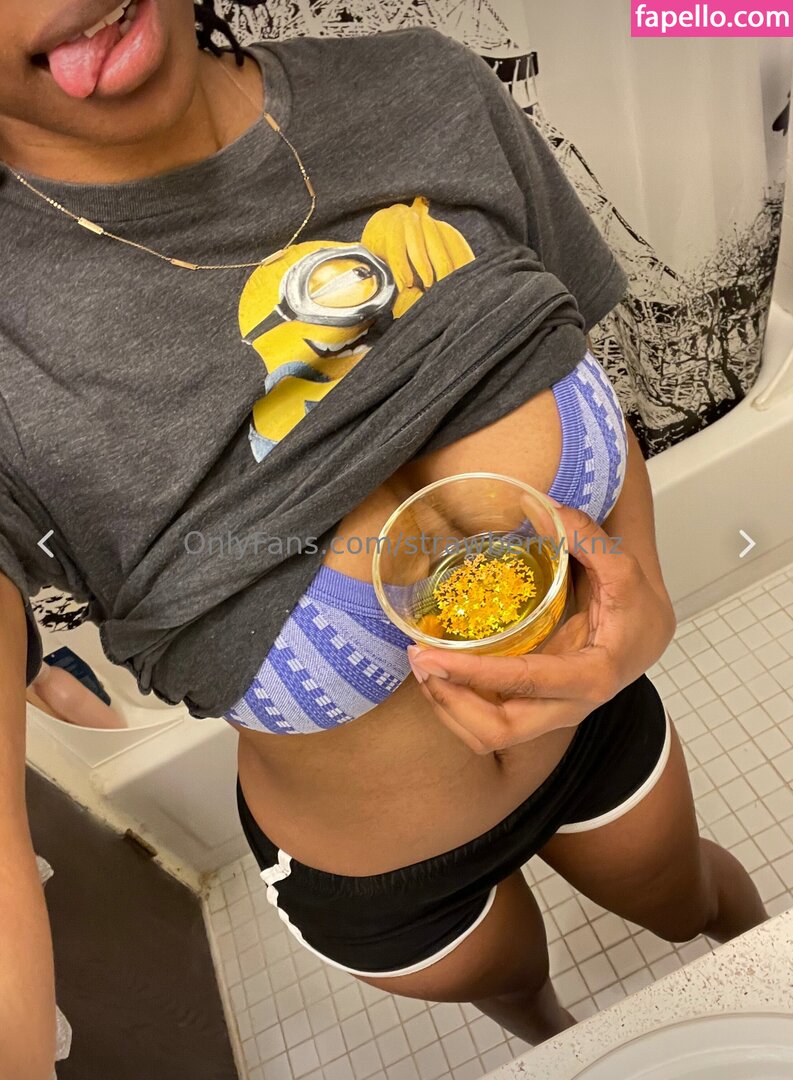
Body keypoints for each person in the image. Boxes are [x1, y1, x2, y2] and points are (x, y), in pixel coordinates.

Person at [0, 2, 766, 1075]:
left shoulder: (425, 85)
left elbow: (571, 365)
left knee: (701, 909)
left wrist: (645, 596)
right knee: (530, 1007)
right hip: (386, 877)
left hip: (593, 727)